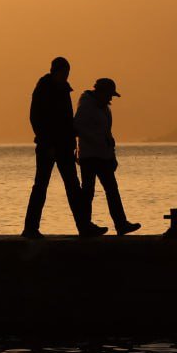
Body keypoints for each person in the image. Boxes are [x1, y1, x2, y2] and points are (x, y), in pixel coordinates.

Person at [23, 57, 106, 237]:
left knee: (73, 186)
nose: (66, 76)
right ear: (55, 71)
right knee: (41, 186)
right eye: (64, 73)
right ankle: (30, 228)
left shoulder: (63, 89)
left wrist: (72, 143)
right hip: (48, 147)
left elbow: (67, 121)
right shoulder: (43, 89)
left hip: (64, 146)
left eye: (67, 73)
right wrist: (47, 143)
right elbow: (36, 119)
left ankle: (84, 226)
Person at [74, 77, 141, 236]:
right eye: (109, 94)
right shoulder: (86, 106)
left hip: (103, 156)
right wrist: (97, 142)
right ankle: (86, 226)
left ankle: (121, 224)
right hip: (89, 156)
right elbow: (77, 128)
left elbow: (108, 135)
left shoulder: (105, 108)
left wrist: (112, 155)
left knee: (112, 190)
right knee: (88, 191)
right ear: (101, 92)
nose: (111, 98)